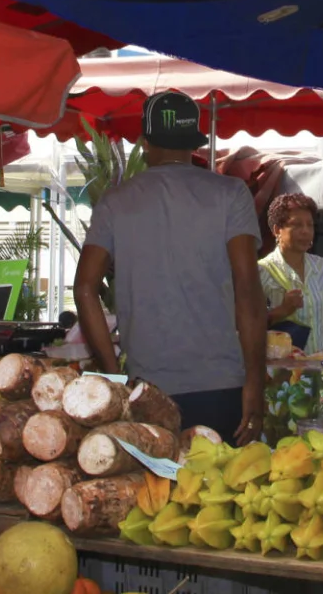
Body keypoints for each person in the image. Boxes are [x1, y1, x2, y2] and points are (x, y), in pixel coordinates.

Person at [74, 91, 266, 443]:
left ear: (145, 143)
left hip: (146, 391)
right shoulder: (231, 194)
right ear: (195, 142)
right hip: (222, 385)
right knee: (218, 492)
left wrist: (113, 374)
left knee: (153, 495)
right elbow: (248, 289)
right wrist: (256, 381)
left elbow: (85, 287)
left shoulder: (115, 202)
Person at [259, 193, 323, 354]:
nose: (305, 231)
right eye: (296, 225)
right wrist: (282, 310)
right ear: (277, 230)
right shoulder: (261, 271)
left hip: (319, 369)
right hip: (282, 373)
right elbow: (247, 326)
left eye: (310, 225)